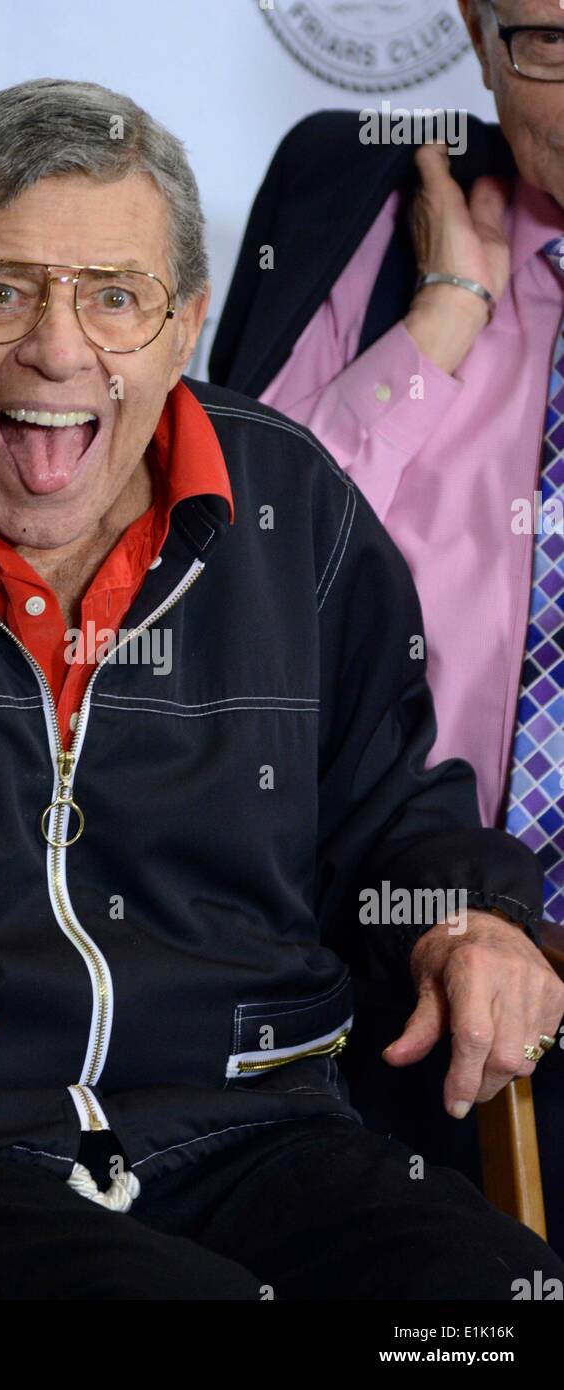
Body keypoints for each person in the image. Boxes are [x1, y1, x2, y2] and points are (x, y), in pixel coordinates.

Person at [0, 78, 562, 1302]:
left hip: (258, 1132)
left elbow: (387, 811)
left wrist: (470, 918)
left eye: (114, 297)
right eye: (0, 289)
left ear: (185, 321)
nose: (58, 345)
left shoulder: (291, 509)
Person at [209, 0, 564, 1246]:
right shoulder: (356, 193)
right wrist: (439, 322)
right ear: (474, 32)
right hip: (366, 959)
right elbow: (218, 580)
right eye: (551, 42)